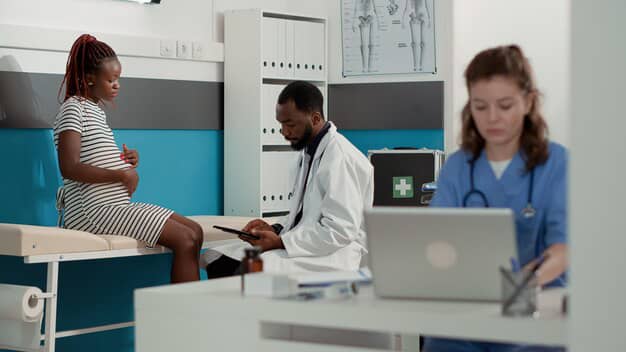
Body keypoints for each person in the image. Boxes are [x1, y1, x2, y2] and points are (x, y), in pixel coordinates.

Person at [423, 45, 568, 352]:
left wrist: (524, 283)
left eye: (505, 105)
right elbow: (435, 238)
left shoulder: (557, 164)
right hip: (464, 318)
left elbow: (563, 249)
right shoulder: (458, 167)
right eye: (480, 106)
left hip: (535, 317)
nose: (492, 118)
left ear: (528, 102)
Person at [53, 34, 203, 283]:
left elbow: (93, 156)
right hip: (93, 212)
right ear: (89, 78)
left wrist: (126, 161)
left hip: (114, 207)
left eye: (118, 79)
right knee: (185, 239)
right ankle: (185, 319)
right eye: (111, 79)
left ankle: (186, 310)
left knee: (195, 232)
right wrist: (121, 174)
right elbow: (69, 167)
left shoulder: (94, 110)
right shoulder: (73, 108)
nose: (117, 85)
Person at [204, 81, 374, 276]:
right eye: (281, 125)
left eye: (290, 124)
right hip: (307, 247)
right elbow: (303, 214)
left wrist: (281, 242)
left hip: (333, 255)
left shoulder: (340, 158)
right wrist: (275, 228)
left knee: (244, 268)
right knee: (218, 260)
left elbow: (340, 231)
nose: (284, 132)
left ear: (316, 118)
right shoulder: (310, 152)